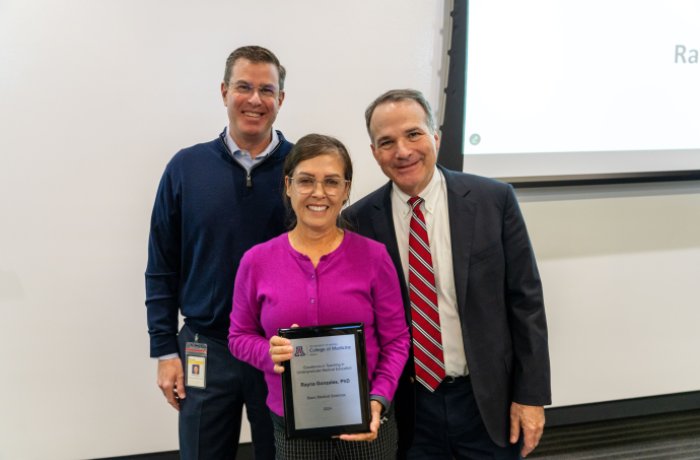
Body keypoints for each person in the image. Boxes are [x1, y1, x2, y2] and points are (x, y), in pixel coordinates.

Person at [343, 89, 551, 459]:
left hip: (487, 400)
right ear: (374, 153)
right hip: (409, 408)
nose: (403, 151)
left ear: (435, 136)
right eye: (386, 142)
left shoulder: (494, 200)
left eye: (413, 134)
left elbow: (526, 303)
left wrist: (531, 396)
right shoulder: (359, 222)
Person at [145, 45, 291, 460]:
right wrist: (164, 350)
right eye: (244, 87)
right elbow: (162, 266)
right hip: (205, 347)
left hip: (276, 349)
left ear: (280, 99)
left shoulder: (301, 168)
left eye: (267, 89)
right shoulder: (185, 168)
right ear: (225, 91)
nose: (255, 99)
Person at [228, 134, 410, 460]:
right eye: (306, 181)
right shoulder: (256, 261)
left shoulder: (374, 257)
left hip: (367, 424)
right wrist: (266, 352)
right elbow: (238, 337)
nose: (318, 193)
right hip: (293, 429)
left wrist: (378, 398)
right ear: (288, 185)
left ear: (345, 190)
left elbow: (397, 340)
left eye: (331, 182)